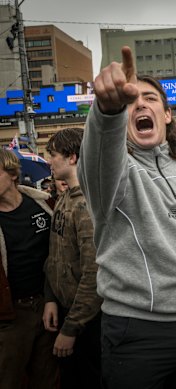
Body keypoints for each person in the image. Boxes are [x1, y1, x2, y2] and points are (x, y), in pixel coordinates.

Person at [77, 46, 176, 388]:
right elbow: (97, 158)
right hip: (135, 333)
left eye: (150, 98)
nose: (140, 104)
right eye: (131, 100)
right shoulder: (115, 174)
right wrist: (106, 112)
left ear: (166, 115)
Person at [42, 128, 102, 389]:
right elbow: (54, 257)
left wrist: (71, 328)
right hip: (67, 310)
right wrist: (51, 299)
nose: (49, 161)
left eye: (53, 154)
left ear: (73, 157)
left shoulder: (87, 204)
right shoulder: (65, 198)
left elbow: (95, 274)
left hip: (88, 321)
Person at [0, 149, 58, 389]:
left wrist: (52, 299)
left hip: (48, 307)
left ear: (12, 174)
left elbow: (59, 255)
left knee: (48, 379)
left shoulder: (43, 205)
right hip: (10, 316)